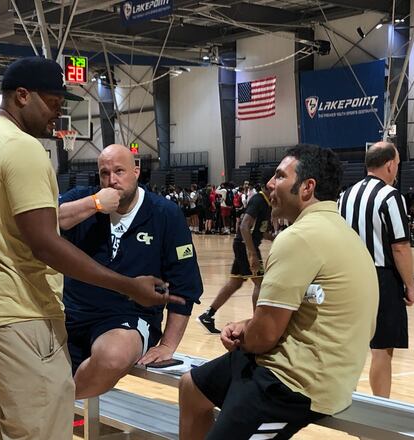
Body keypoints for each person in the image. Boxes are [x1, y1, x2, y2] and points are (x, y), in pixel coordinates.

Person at [0, 57, 181, 440]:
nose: (57, 116)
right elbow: (45, 244)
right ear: (22, 96)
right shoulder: (21, 148)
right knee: (43, 431)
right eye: (53, 104)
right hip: (21, 313)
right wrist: (128, 286)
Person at [179, 145, 378, 439]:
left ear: (307, 187)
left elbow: (263, 338)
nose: (270, 184)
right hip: (314, 368)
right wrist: (245, 326)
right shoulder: (343, 232)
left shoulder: (298, 238)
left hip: (296, 384)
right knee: (192, 387)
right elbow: (283, 320)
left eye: (280, 176)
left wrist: (247, 333)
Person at [58, 144, 203, 399]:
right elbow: (46, 221)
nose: (111, 180)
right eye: (104, 173)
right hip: (71, 313)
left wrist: (168, 344)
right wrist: (94, 204)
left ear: (136, 171)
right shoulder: (84, 199)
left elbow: (184, 285)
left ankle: (57, 409)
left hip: (128, 318)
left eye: (119, 171)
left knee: (112, 356)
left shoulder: (164, 214)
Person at [338, 141, 414, 398]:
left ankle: (340, 400)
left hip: (349, 278)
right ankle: (381, 413)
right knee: (381, 350)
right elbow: (400, 246)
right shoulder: (391, 196)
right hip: (381, 278)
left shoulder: (345, 196)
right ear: (390, 165)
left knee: (351, 346)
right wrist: (410, 286)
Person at [198, 185, 272, 334]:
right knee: (260, 282)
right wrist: (252, 254)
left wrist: (278, 238)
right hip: (246, 245)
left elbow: (261, 232)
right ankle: (258, 323)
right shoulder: (258, 200)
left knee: (235, 283)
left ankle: (208, 315)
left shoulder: (268, 202)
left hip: (243, 245)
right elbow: (244, 226)